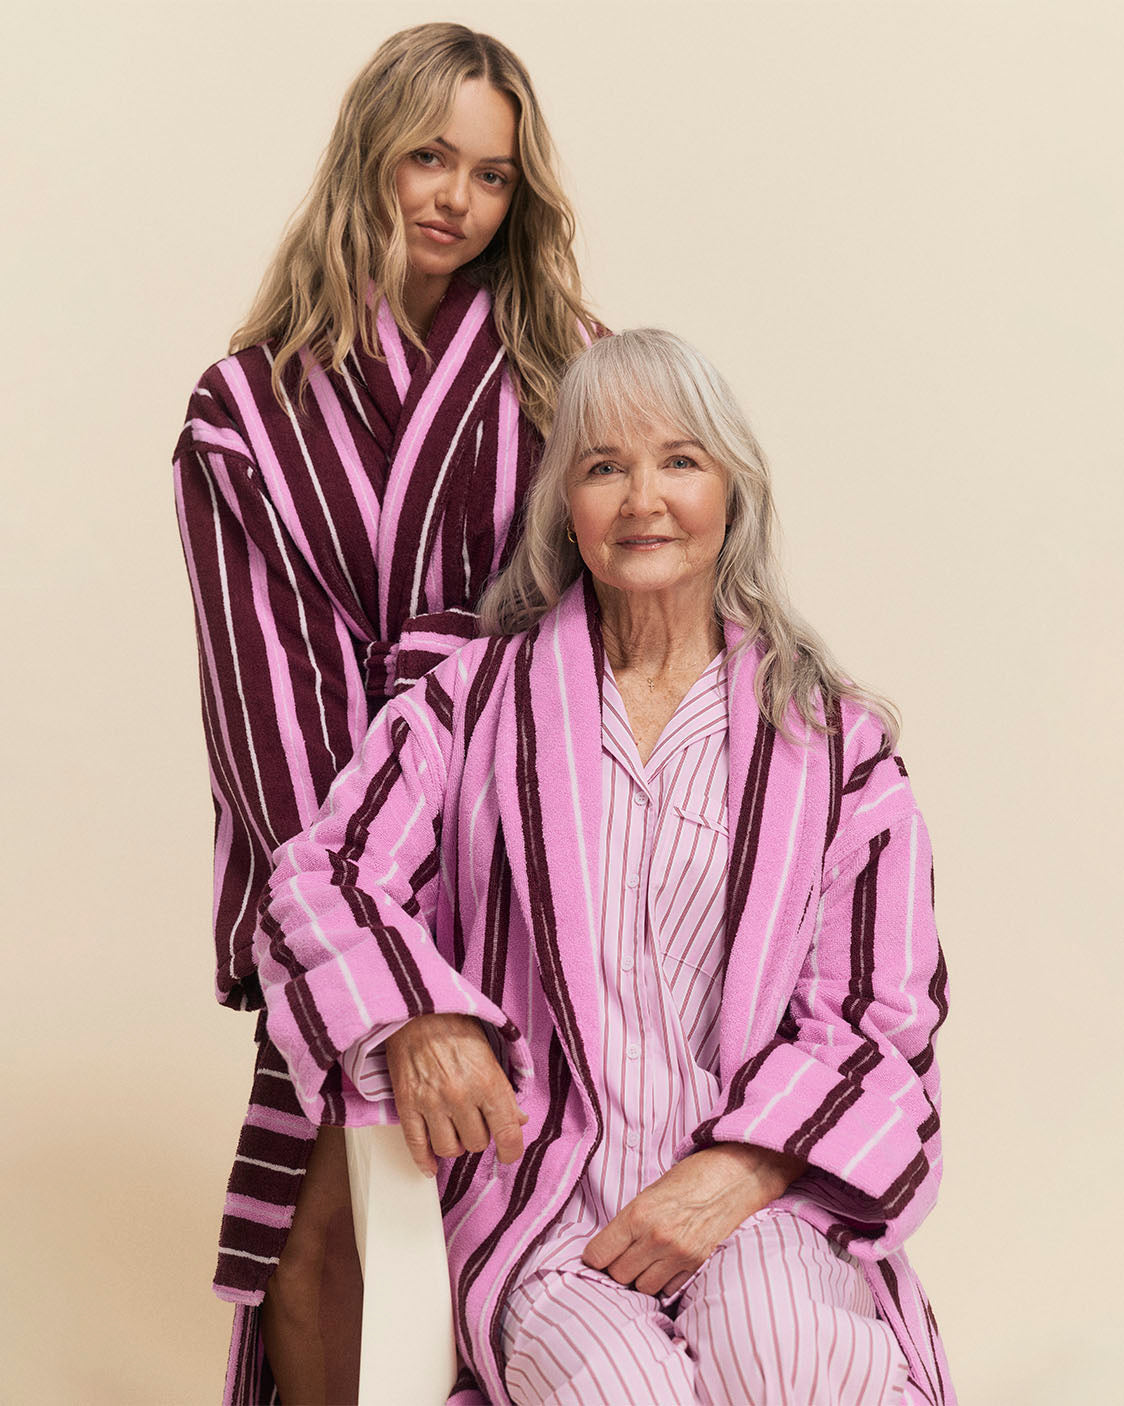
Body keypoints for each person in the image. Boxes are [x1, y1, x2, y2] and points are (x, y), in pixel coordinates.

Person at [255, 329, 956, 1405]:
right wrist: (418, 1017)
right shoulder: (468, 703)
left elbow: (879, 1011)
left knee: (790, 1358)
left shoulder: (833, 741)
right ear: (565, 509)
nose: (642, 499)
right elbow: (322, 879)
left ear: (733, 490)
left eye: (679, 460)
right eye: (602, 466)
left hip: (762, 1190)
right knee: (618, 1390)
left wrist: (739, 1170)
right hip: (544, 1207)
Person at [173, 23, 600, 1404]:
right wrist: (362, 935)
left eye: (491, 175)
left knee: (518, 1207)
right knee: (321, 1224)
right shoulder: (244, 410)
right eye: (429, 157)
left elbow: (612, 615)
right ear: (370, 154)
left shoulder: (569, 370)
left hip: (523, 841)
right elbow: (262, 701)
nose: (455, 199)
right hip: (332, 853)